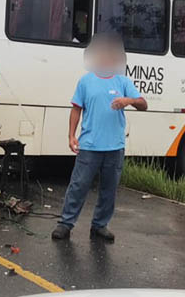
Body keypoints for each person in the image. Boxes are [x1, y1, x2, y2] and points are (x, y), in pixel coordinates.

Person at [52, 33, 147, 242]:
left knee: (109, 190)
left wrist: (128, 100)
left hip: (114, 147)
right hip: (89, 145)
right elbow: (76, 109)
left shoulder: (123, 81)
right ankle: (66, 224)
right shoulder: (86, 81)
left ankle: (100, 225)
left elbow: (143, 104)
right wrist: (71, 135)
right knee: (78, 186)